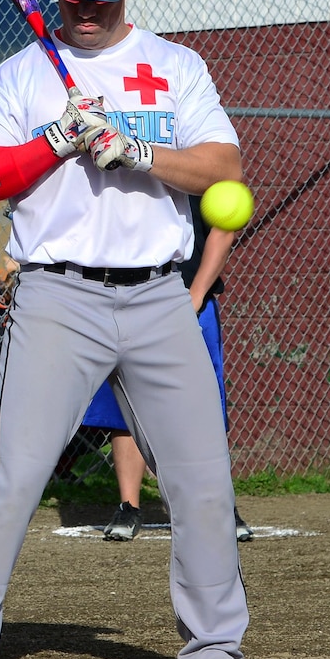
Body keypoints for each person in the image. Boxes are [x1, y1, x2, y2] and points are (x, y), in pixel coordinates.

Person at [0, 0, 267, 659]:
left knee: (204, 482)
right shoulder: (21, 76)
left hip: (158, 294)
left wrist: (138, 151)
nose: (86, 11)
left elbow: (222, 163)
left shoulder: (175, 66)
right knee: (12, 477)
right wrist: (57, 138)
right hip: (56, 293)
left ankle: (215, 653)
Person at [92, 198, 252, 542]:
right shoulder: (117, 159)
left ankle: (220, 504)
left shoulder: (197, 159)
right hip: (123, 297)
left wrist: (195, 296)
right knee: (126, 405)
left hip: (189, 295)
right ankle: (129, 506)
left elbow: (224, 228)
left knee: (202, 406)